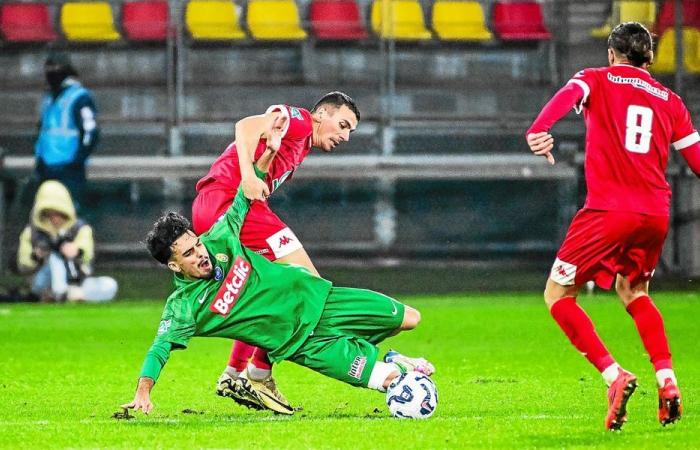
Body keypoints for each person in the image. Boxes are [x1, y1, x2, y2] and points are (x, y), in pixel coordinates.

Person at [121, 145, 434, 416]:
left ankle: (395, 358)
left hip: (321, 298)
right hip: (304, 343)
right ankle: (397, 371)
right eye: (188, 254)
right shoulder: (184, 308)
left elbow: (244, 197)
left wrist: (268, 155)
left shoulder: (219, 238)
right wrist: (143, 391)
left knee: (411, 318)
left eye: (196, 244)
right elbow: (159, 349)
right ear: (174, 266)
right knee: (388, 379)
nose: (199, 253)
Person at [526, 22, 700, 431]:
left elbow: (568, 95)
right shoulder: (671, 100)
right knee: (634, 290)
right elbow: (696, 162)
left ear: (611, 54)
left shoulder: (595, 79)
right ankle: (667, 379)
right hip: (655, 214)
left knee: (557, 295)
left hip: (607, 211)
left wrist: (539, 129)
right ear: (650, 59)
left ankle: (613, 375)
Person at [192, 91, 360, 412]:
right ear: (321, 114)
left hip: (214, 206)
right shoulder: (299, 121)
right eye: (342, 124)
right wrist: (247, 178)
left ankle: (235, 373)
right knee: (308, 286)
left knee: (267, 293)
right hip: (233, 203)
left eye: (350, 131)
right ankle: (260, 371)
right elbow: (245, 126)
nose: (345, 136)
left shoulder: (299, 145)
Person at [17, 180, 118, 302]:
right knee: (55, 258)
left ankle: (66, 295)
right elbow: (23, 264)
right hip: (43, 280)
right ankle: (60, 292)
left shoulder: (80, 229)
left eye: (58, 213)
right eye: (49, 214)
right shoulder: (31, 233)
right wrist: (37, 256)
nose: (55, 218)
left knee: (110, 285)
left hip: (76, 280)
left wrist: (76, 251)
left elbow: (87, 254)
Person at [34, 52, 99, 210]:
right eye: (48, 68)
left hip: (69, 170)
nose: (51, 71)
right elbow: (43, 131)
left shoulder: (79, 97)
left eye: (55, 67)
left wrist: (78, 160)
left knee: (70, 215)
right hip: (46, 168)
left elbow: (91, 132)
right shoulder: (49, 98)